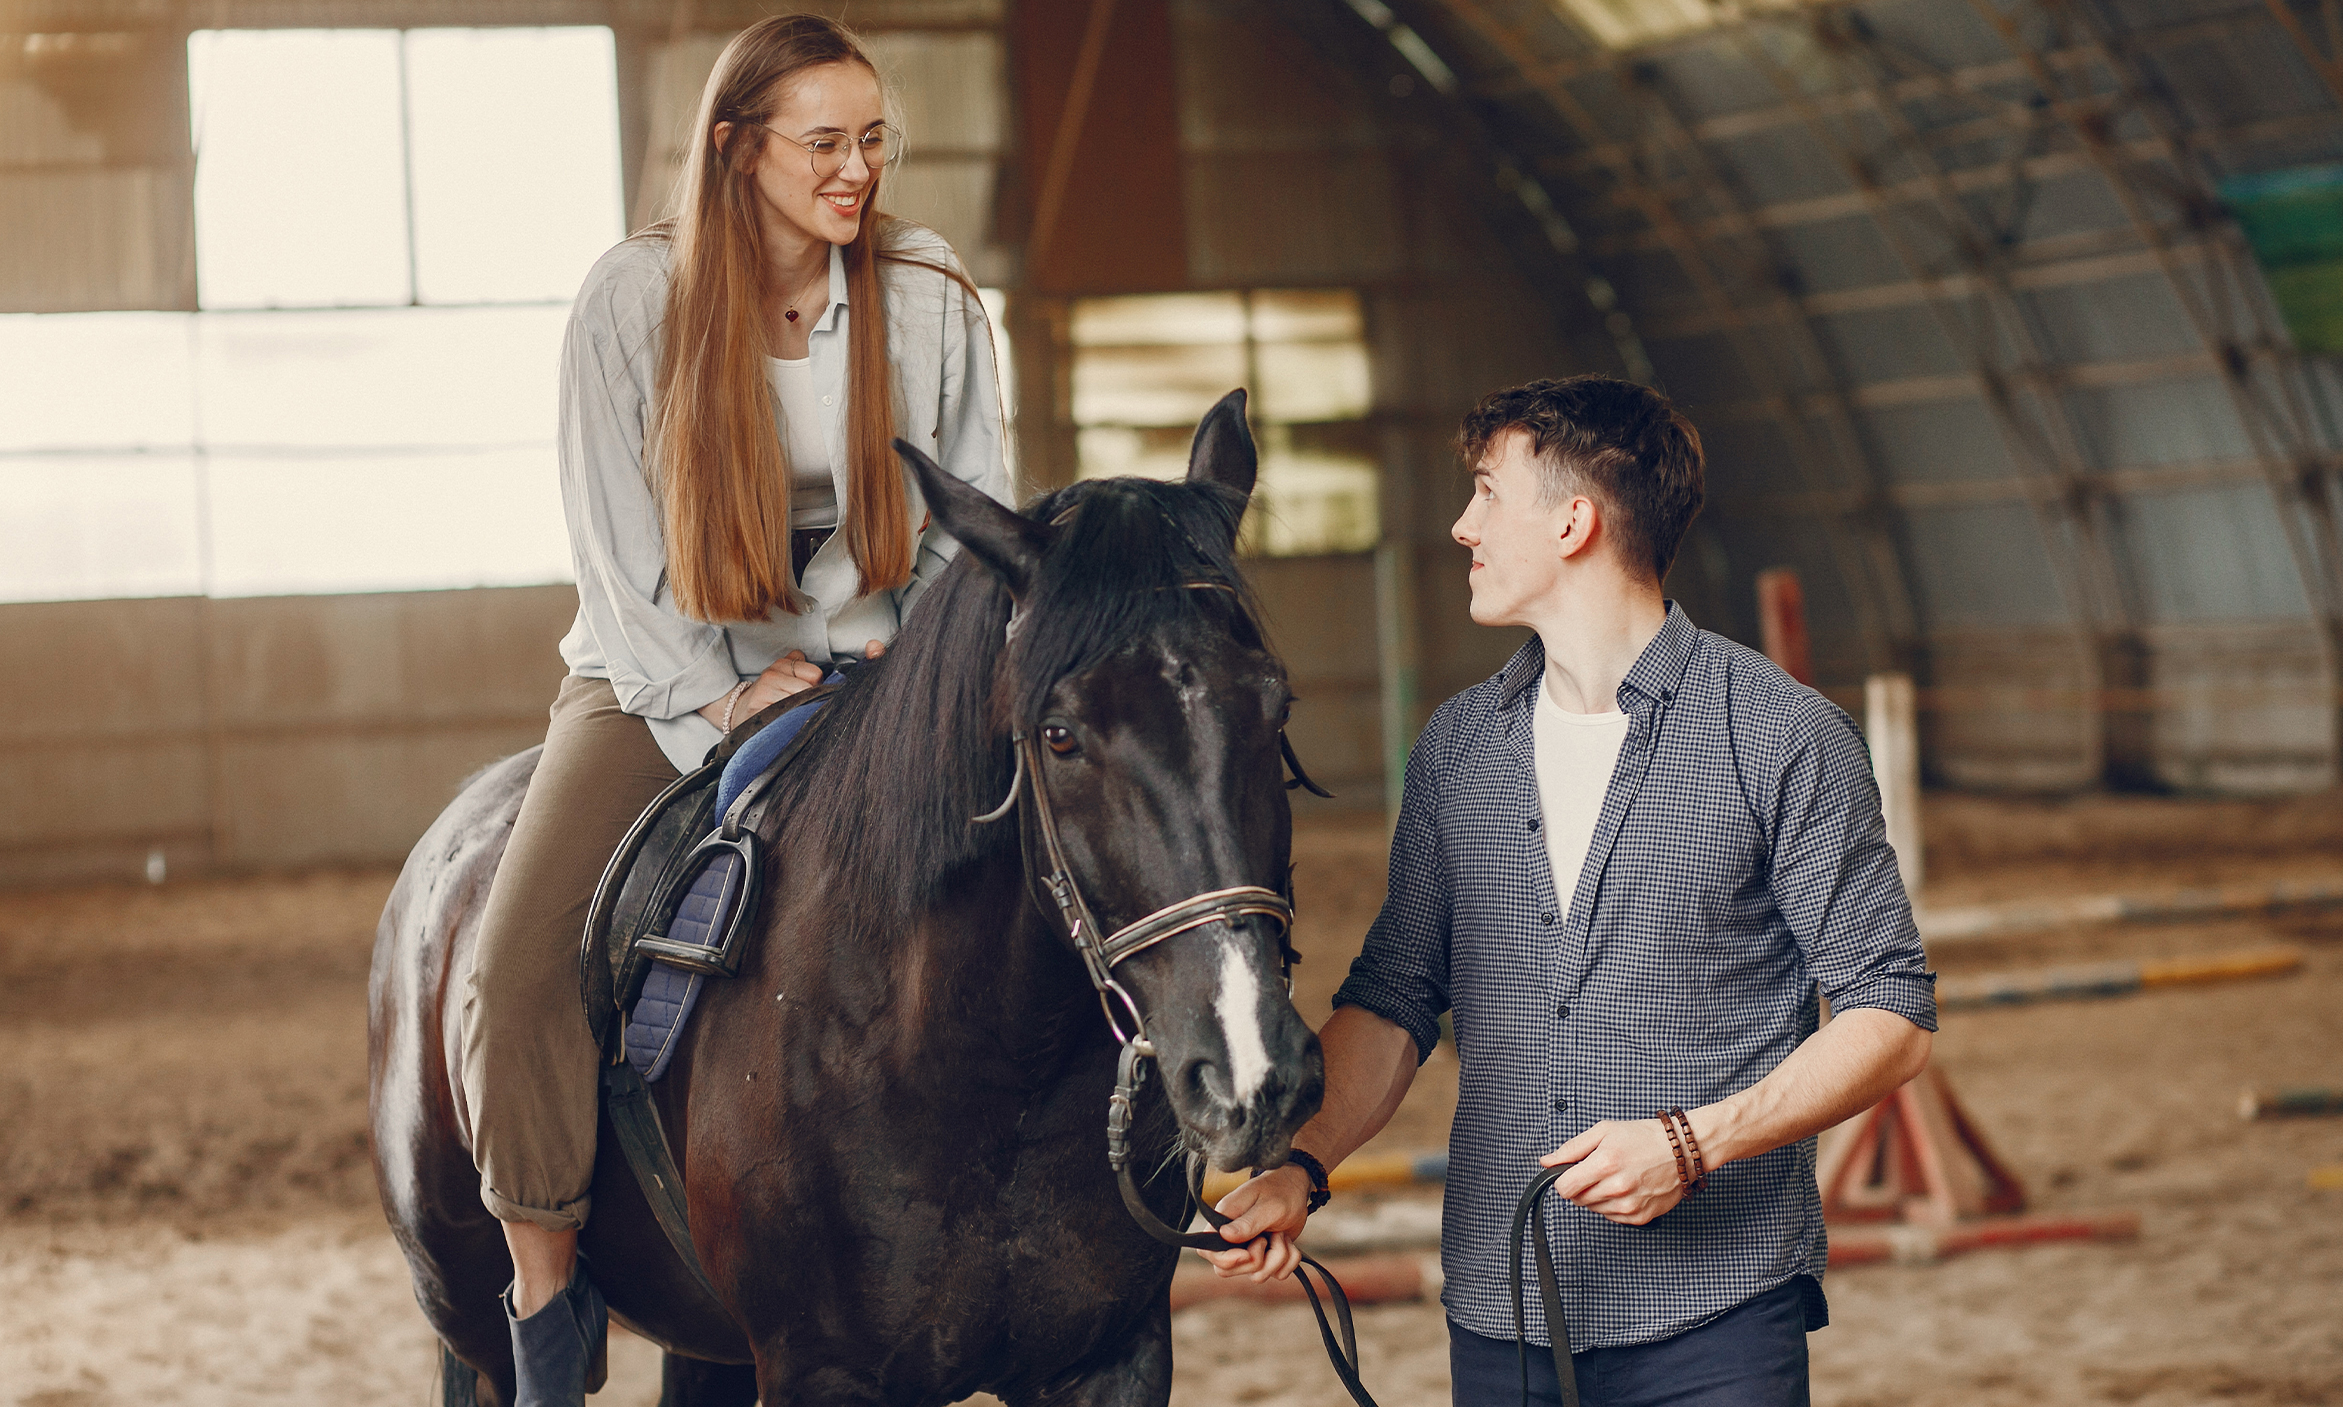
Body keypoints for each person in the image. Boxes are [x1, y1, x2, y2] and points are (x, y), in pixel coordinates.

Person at [457, 15, 1007, 1403]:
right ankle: (545, 1296)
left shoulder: (929, 291)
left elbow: (965, 522)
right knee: (518, 970)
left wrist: (912, 679)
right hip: (660, 675)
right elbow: (621, 559)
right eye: (822, 143)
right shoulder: (630, 302)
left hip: (875, 672)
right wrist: (722, 696)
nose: (856, 171)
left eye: (872, 140)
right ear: (733, 148)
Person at [1203, 377, 1936, 1406]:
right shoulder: (1458, 750)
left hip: (1716, 1316)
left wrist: (1693, 1144)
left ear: (1575, 520)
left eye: (1487, 494)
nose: (1463, 526)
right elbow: (1395, 998)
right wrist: (1301, 1166)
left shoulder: (1782, 735)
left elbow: (1890, 1013)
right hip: (1502, 1324)